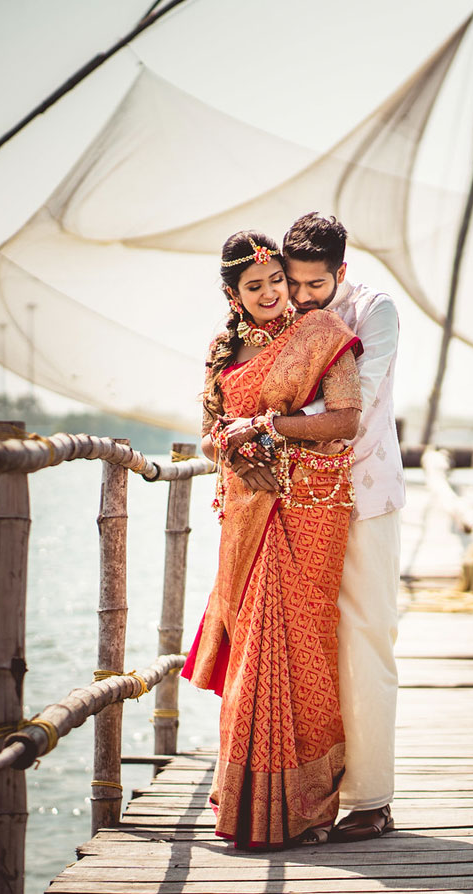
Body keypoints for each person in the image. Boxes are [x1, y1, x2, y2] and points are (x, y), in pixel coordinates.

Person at [181, 229, 364, 849]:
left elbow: (346, 418)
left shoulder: (319, 336)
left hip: (311, 505)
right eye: (254, 286)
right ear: (234, 294)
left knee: (302, 647)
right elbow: (209, 433)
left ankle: (310, 808)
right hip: (248, 507)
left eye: (276, 282)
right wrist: (233, 443)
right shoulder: (221, 350)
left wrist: (264, 427)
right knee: (253, 648)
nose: (271, 293)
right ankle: (245, 809)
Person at [281, 212, 405, 842]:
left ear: (341, 274)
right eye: (294, 284)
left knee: (364, 637)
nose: (303, 297)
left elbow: (353, 401)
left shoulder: (374, 312)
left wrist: (271, 422)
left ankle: (371, 800)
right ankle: (301, 795)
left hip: (364, 495)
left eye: (316, 286)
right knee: (299, 645)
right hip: (295, 500)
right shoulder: (280, 310)